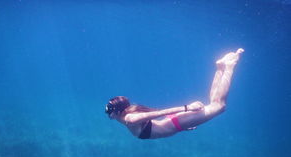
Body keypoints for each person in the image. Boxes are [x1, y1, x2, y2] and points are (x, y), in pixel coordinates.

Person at [105, 48, 244, 139]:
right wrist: (184, 123)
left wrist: (186, 108)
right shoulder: (127, 117)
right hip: (177, 122)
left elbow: (158, 113)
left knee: (219, 106)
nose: (108, 113)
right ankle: (220, 68)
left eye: (109, 111)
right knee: (213, 104)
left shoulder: (130, 119)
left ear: (118, 112)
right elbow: (156, 121)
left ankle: (229, 66)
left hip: (177, 122)